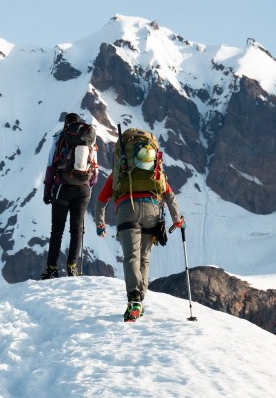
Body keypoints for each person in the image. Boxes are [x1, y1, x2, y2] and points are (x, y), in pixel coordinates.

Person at [93, 127, 185, 322]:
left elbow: (101, 200)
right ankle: (139, 300)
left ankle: (134, 299)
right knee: (144, 258)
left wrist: (100, 223)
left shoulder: (121, 171)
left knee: (131, 256)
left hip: (127, 211)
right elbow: (169, 195)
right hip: (152, 211)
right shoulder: (155, 171)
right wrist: (177, 219)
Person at [41, 112, 98, 279]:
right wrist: (87, 186)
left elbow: (51, 166)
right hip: (83, 190)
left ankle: (52, 269)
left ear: (66, 124)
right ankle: (72, 268)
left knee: (57, 230)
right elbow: (95, 171)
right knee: (77, 229)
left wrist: (47, 191)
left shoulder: (60, 138)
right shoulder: (88, 140)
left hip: (62, 189)